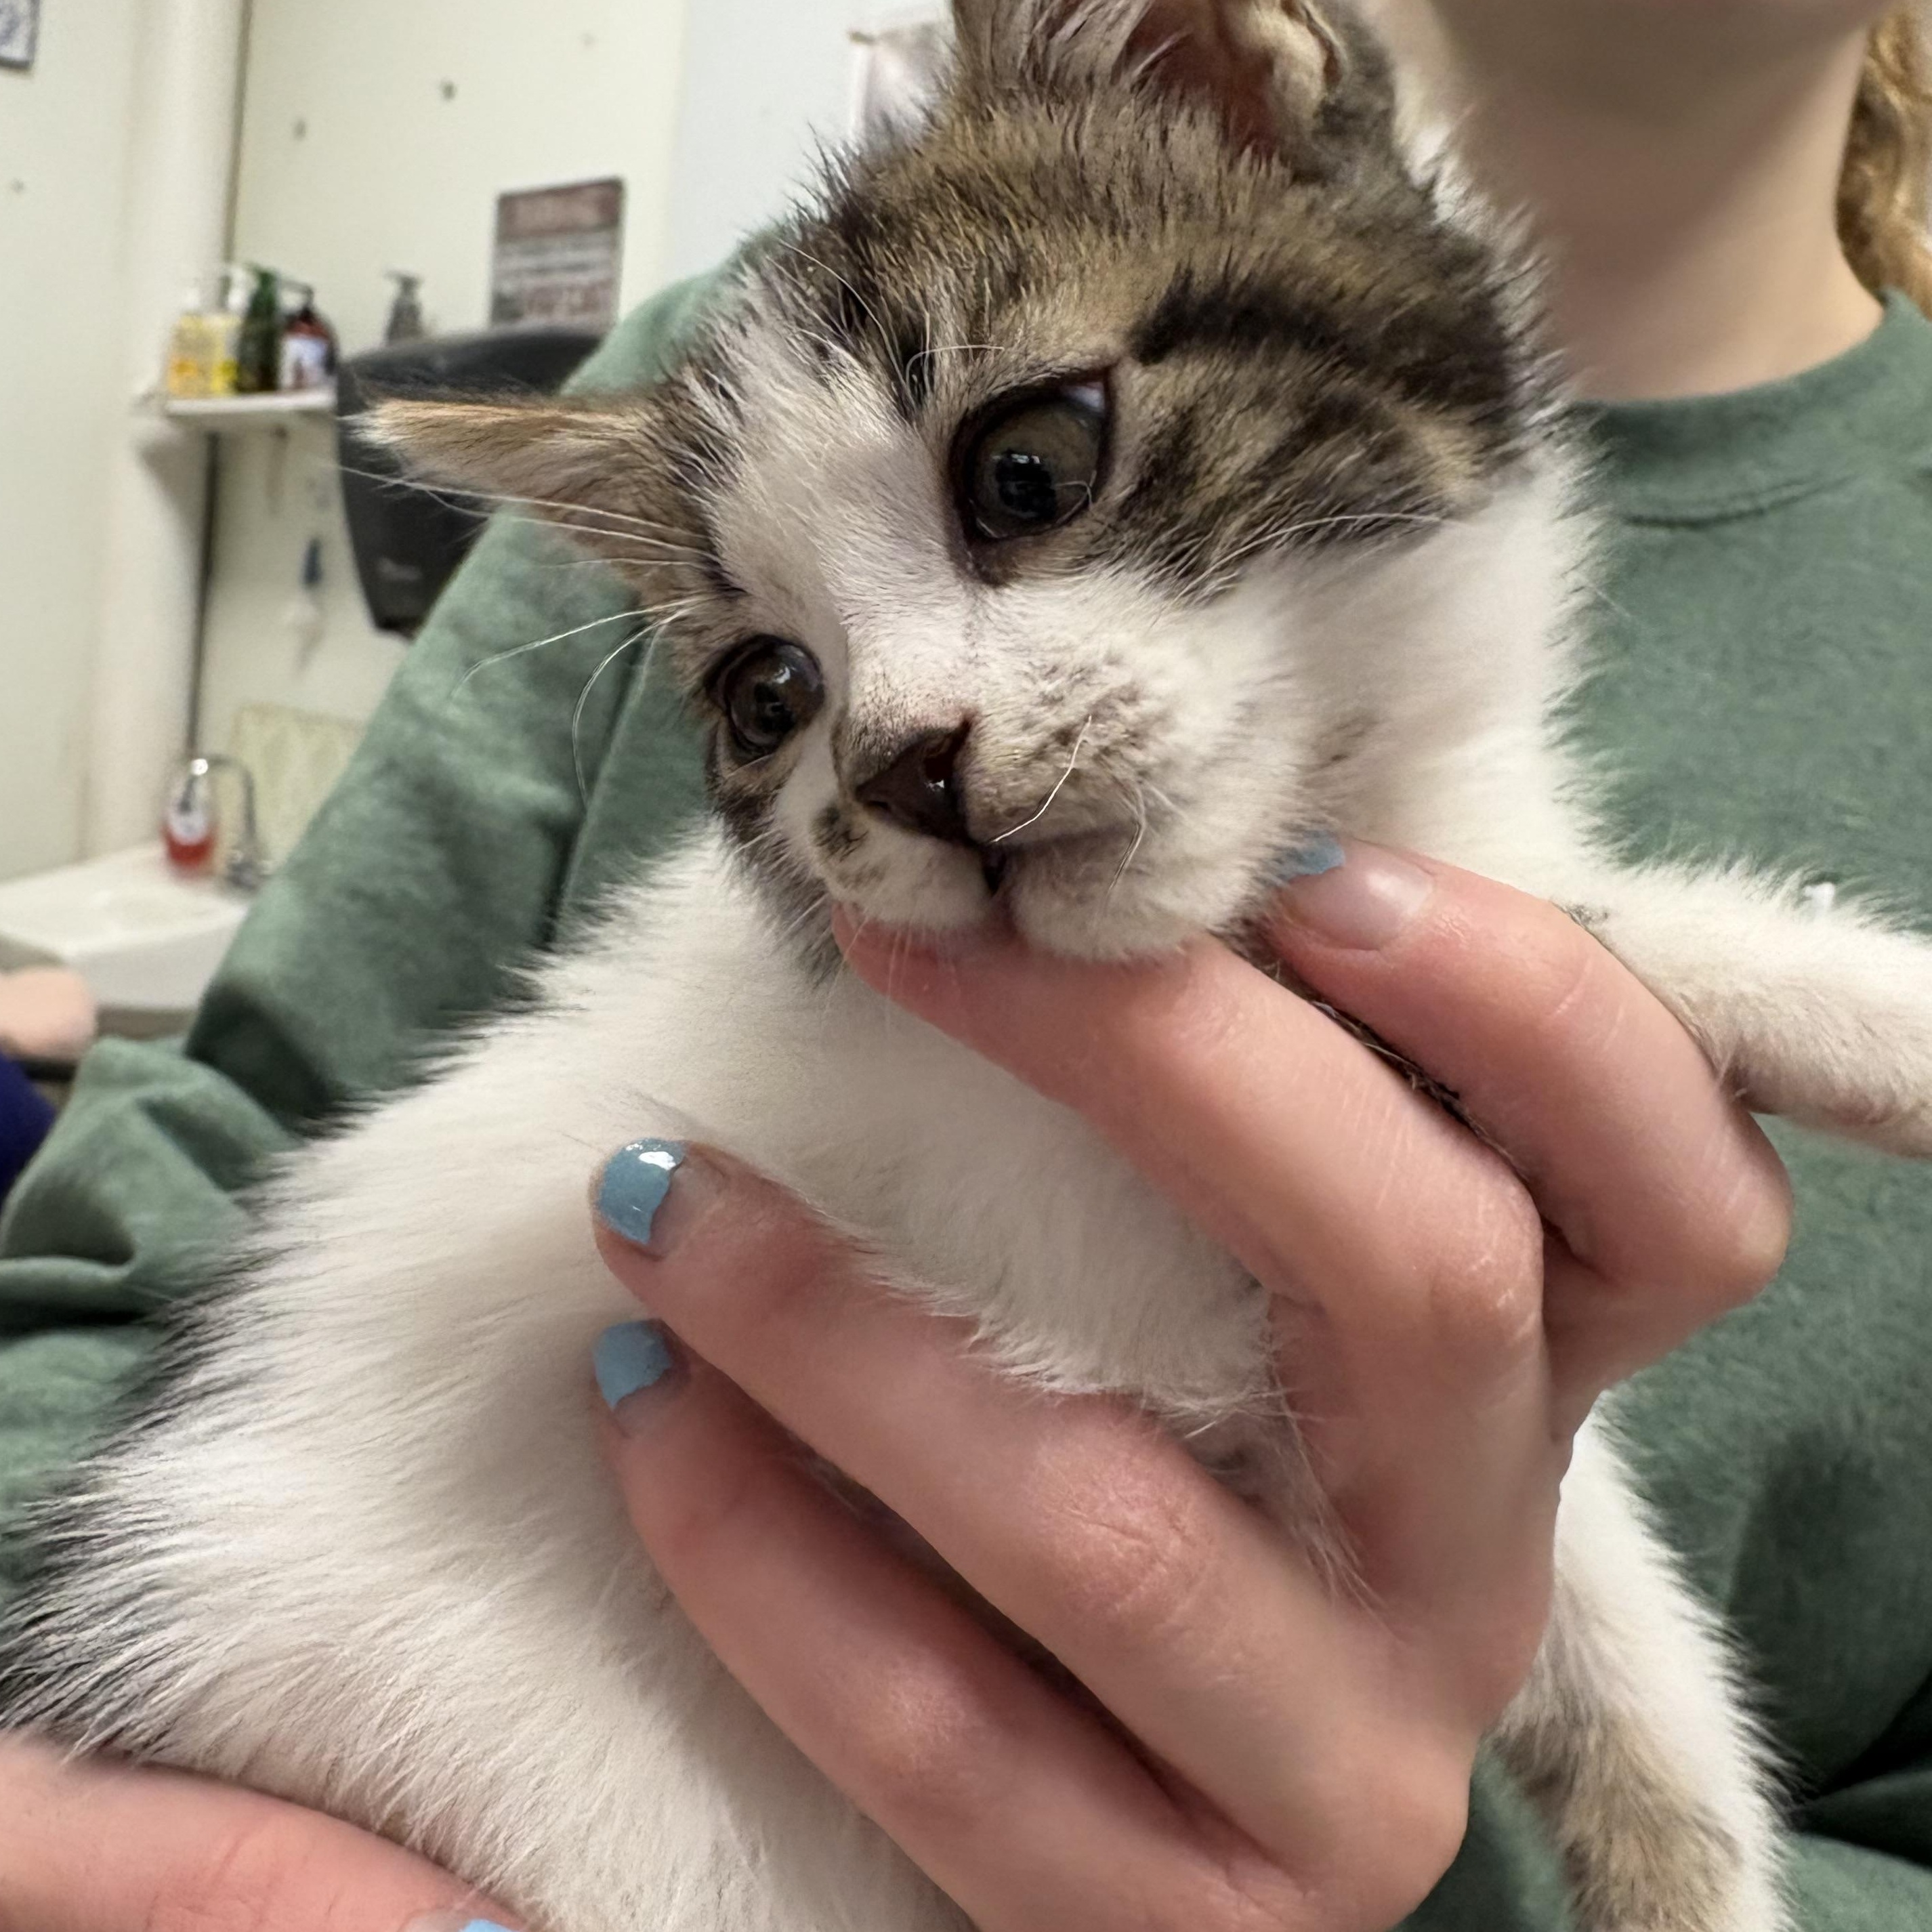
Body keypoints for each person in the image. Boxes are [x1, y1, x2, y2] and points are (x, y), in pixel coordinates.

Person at [4, 0, 1931, 1925]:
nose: (900, 735)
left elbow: (1411, 1449)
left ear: (1234, 91)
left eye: (1026, 475)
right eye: (776, 689)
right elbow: (119, 1262)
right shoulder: (863, 959)